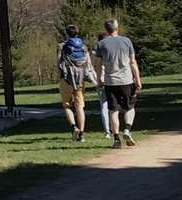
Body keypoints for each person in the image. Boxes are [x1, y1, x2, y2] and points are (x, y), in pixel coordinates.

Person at [95, 19, 142, 149]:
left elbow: (98, 64)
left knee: (113, 110)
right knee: (129, 107)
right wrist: (137, 79)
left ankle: (116, 139)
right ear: (117, 28)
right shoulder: (126, 41)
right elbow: (133, 62)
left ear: (106, 29)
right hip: (126, 80)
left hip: (110, 81)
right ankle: (127, 129)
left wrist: (99, 80)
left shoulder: (101, 44)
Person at [58, 24, 89, 142]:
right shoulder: (83, 46)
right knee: (80, 107)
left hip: (66, 79)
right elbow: (87, 63)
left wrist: (60, 77)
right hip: (79, 79)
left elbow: (59, 63)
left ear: (67, 33)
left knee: (67, 105)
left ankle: (74, 127)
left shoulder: (62, 46)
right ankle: (82, 134)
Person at [91, 33, 111, 139]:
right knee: (112, 105)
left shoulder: (94, 54)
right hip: (111, 80)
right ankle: (113, 128)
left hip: (100, 80)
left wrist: (96, 79)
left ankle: (107, 131)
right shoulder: (109, 52)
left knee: (104, 106)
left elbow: (92, 68)